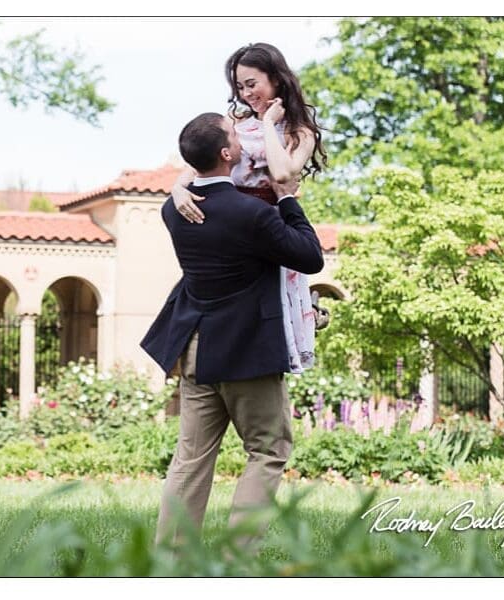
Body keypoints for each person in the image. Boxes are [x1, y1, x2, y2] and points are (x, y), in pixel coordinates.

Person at [140, 112, 323, 549]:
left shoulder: (175, 208)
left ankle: (171, 559)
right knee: (268, 449)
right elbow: (310, 257)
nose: (241, 136)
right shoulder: (250, 214)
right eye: (233, 132)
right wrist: (288, 199)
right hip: (245, 353)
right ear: (228, 153)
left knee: (191, 458)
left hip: (195, 351)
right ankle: (237, 555)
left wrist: (177, 184)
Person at [172, 42, 328, 373]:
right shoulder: (235, 124)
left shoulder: (299, 132)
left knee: (270, 311)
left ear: (276, 78)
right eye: (240, 87)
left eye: (252, 83)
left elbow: (284, 173)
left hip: (268, 228)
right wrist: (177, 190)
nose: (246, 94)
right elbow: (195, 168)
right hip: (230, 226)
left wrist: (269, 124)